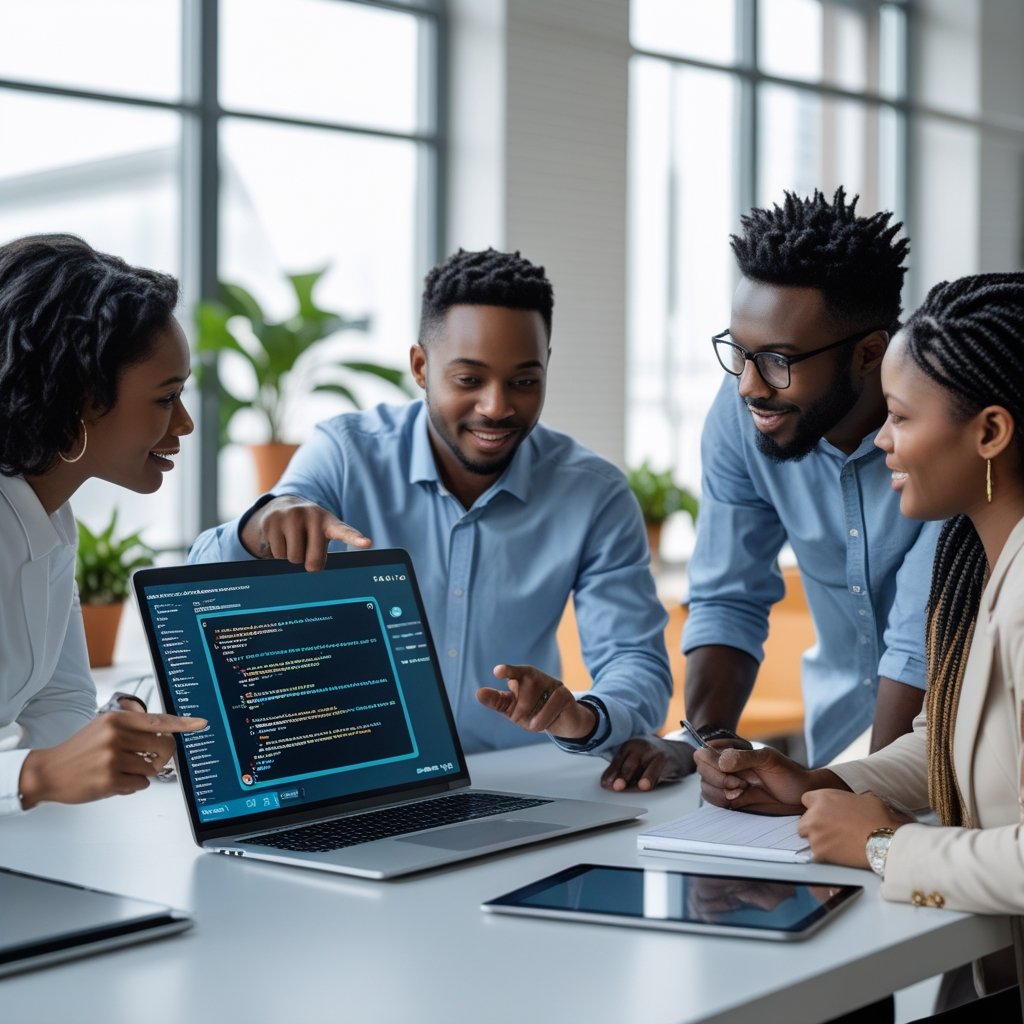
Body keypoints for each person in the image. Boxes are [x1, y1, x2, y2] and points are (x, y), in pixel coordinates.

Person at [696, 273, 1024, 1021]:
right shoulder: (978, 560)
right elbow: (949, 737)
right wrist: (824, 783)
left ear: (990, 433)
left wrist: (883, 846)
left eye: (902, 418)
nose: (880, 441)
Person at [189, 248, 671, 756]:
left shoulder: (594, 493)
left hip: (518, 781)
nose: (497, 406)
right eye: (469, 380)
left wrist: (583, 716)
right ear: (420, 366)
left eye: (524, 382)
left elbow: (636, 663)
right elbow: (204, 592)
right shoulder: (346, 455)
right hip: (356, 774)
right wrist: (260, 527)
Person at [603, 188, 940, 792]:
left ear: (869, 353)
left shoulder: (944, 432)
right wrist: (703, 744)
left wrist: (848, 795)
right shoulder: (745, 418)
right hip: (831, 749)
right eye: (740, 352)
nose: (748, 386)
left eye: (779, 360)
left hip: (948, 762)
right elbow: (729, 596)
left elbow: (916, 643)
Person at [0, 234, 207, 815]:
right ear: (81, 400)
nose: (185, 423)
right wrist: (33, 775)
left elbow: (59, 701)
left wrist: (117, 728)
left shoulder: (52, 517)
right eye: (166, 398)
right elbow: (39, 764)